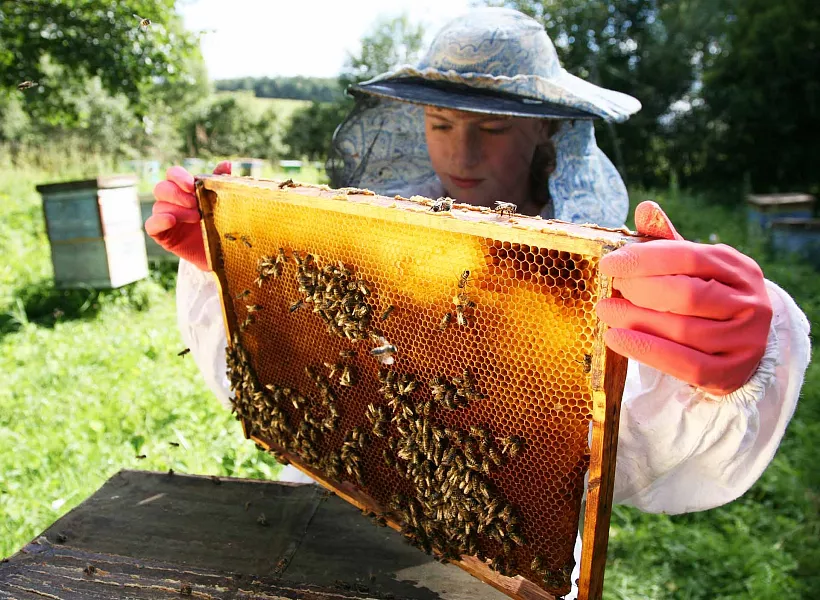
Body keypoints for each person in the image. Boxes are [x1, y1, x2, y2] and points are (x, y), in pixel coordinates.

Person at [145, 8, 810, 598]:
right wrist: (229, 268)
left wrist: (725, 366)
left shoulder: (591, 271)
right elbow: (293, 378)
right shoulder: (366, 231)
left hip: (499, 558)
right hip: (328, 519)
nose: (460, 153)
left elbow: (635, 457)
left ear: (545, 130)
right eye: (440, 123)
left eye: (491, 127)